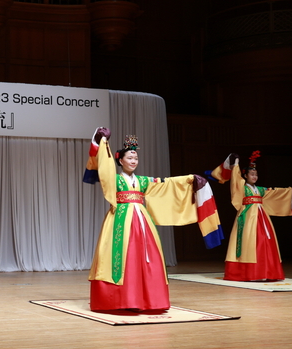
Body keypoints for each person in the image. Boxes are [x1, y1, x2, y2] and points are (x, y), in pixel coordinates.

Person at [83, 129, 222, 312]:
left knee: (146, 258)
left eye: (136, 158)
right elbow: (104, 169)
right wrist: (103, 143)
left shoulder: (143, 181)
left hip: (142, 222)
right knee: (122, 258)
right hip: (120, 222)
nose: (133, 161)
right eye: (129, 158)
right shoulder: (114, 179)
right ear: (120, 160)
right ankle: (121, 299)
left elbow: (167, 183)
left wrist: (190, 179)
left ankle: (145, 299)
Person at [210, 151, 292, 282]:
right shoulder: (242, 187)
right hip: (247, 218)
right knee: (249, 244)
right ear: (245, 175)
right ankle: (249, 273)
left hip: (262, 218)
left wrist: (290, 191)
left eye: (256, 175)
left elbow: (274, 193)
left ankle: (266, 272)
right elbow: (235, 179)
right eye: (252, 174)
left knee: (265, 242)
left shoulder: (260, 190)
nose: (254, 177)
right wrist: (235, 164)